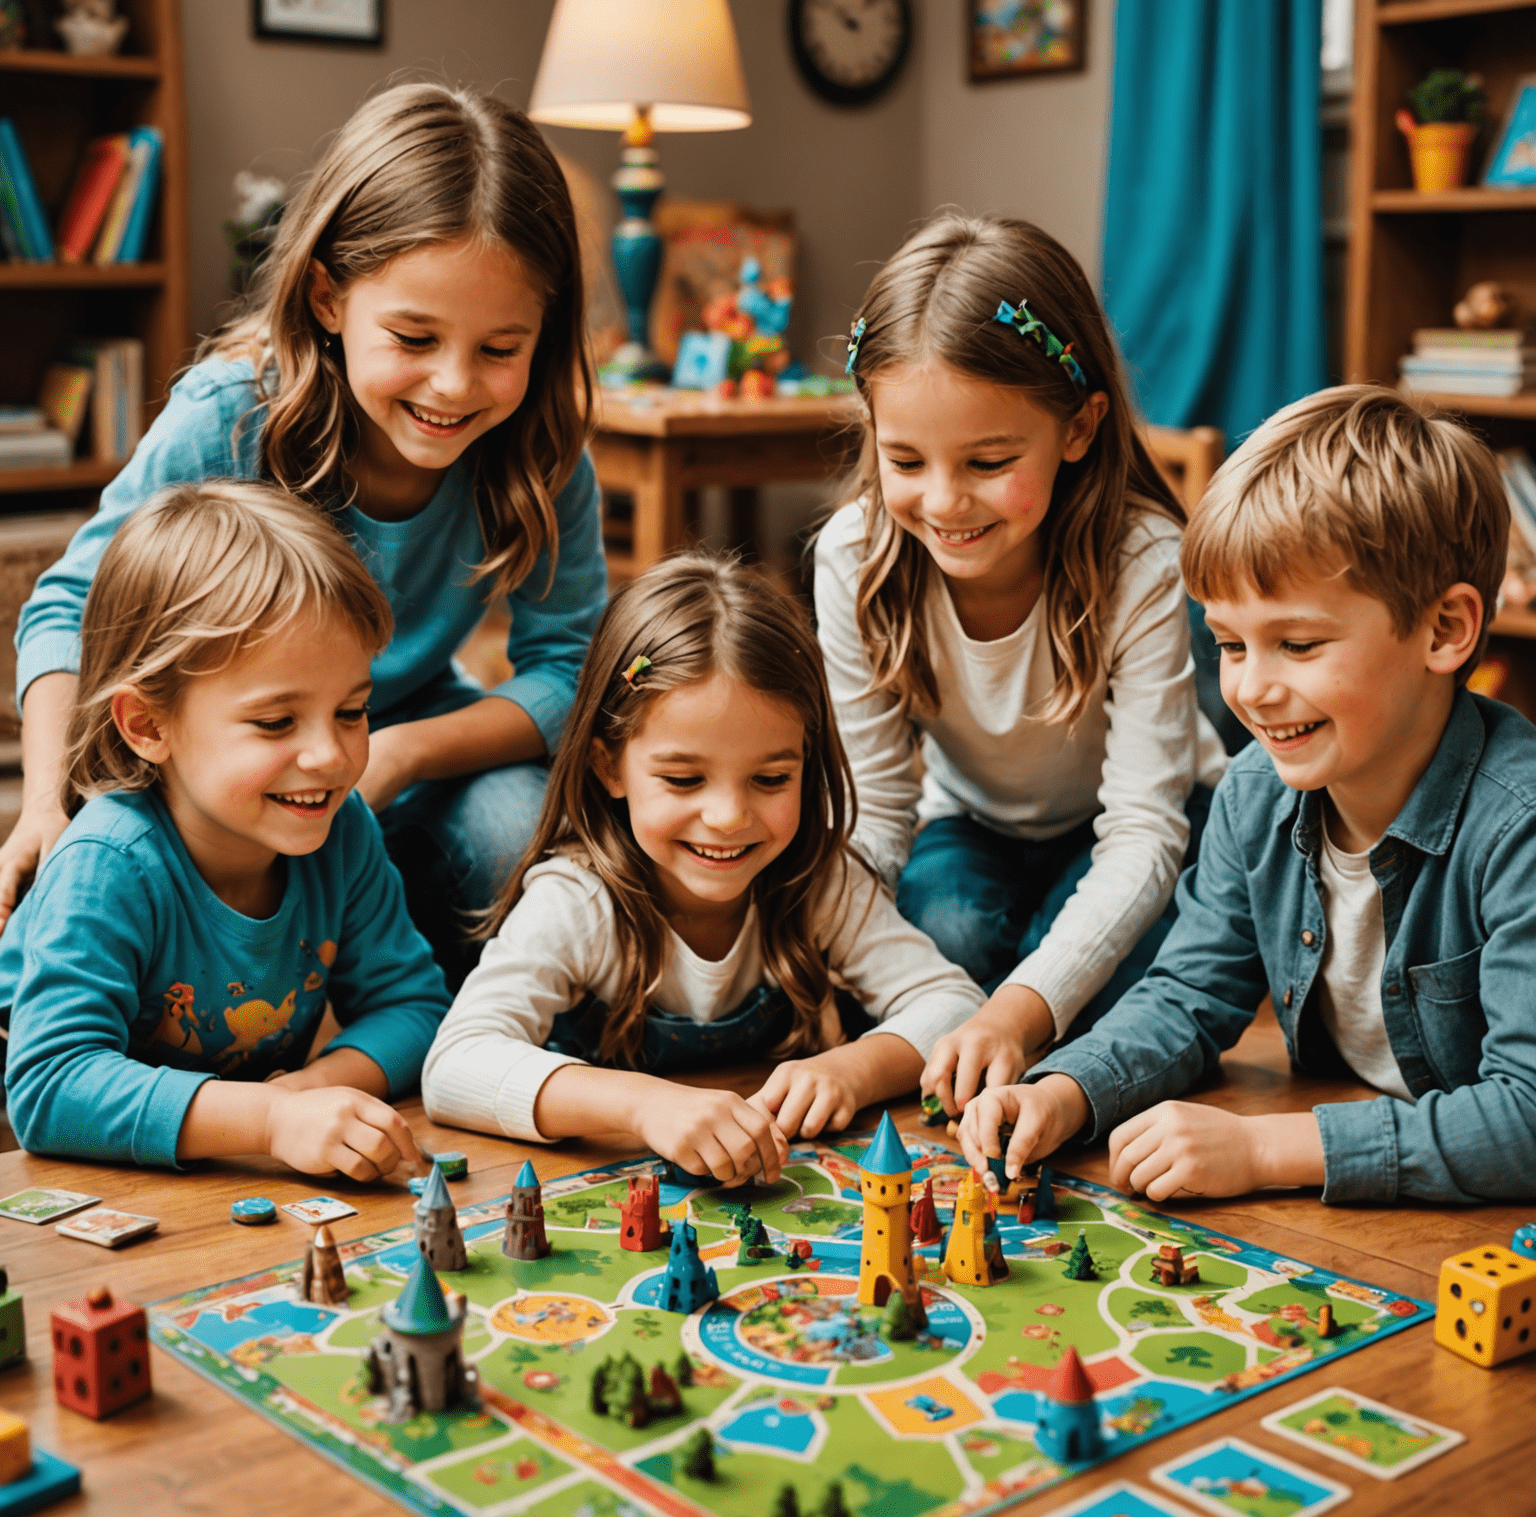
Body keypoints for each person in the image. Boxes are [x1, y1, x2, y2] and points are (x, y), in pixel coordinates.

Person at [6, 83, 605, 987]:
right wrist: (46, 800)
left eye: (498, 349)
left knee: (519, 840)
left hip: (409, 743)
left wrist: (400, 753)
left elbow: (573, 670)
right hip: (235, 745)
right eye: (413, 336)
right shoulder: (231, 414)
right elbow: (69, 608)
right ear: (328, 297)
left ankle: (447, 1045)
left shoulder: (545, 453)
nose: (452, 385)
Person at [959, 384, 1536, 1205]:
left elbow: (1527, 1116)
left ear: (1445, 630)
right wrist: (1063, 1092)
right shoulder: (1254, 793)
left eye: (1297, 644)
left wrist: (1267, 1150)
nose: (1252, 690)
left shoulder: (1520, 828)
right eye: (1230, 644)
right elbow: (1190, 995)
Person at [817, 214, 1224, 1118]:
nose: (945, 500)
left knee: (1102, 1007)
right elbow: (877, 810)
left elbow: (1144, 833)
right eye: (905, 460)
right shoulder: (853, 556)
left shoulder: (1142, 560)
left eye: (990, 461)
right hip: (974, 823)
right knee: (939, 944)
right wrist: (824, 931)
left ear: (1078, 428)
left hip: (1144, 828)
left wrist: (1016, 1012)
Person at [422, 552, 986, 1184]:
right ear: (610, 767)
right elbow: (454, 1065)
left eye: (771, 779)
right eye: (684, 778)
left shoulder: (819, 880)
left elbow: (958, 1006)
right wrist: (645, 1105)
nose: (726, 816)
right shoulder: (578, 899)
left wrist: (852, 1071)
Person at [3, 482, 452, 1175]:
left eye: (353, 711)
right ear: (149, 724)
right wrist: (270, 1118)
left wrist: (311, 1091)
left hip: (214, 1165)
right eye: (276, 722)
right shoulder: (107, 860)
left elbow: (415, 1007)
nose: (331, 757)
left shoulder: (341, 828)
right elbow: (49, 1088)